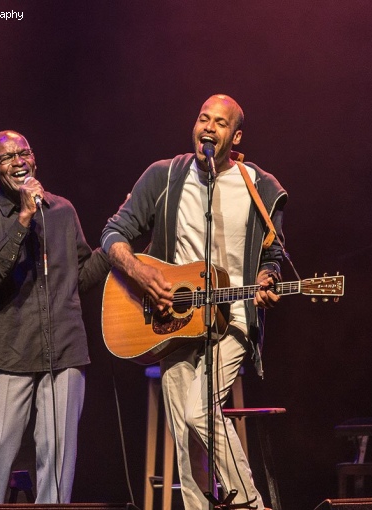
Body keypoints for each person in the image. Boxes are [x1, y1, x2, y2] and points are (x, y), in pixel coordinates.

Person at [101, 95, 287, 510]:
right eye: (203, 118)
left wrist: (266, 279)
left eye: (220, 123)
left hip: (234, 316)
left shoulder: (261, 187)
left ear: (235, 136)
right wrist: (141, 273)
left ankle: (253, 505)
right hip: (176, 322)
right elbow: (113, 234)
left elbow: (273, 255)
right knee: (185, 445)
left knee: (200, 414)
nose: (208, 127)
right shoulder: (165, 176)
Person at [0, 130, 109, 510]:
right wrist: (24, 218)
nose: (18, 161)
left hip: (65, 352)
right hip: (12, 352)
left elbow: (80, 278)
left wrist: (114, 246)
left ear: (35, 160)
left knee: (59, 454)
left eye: (24, 153)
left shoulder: (62, 211)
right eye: (7, 158)